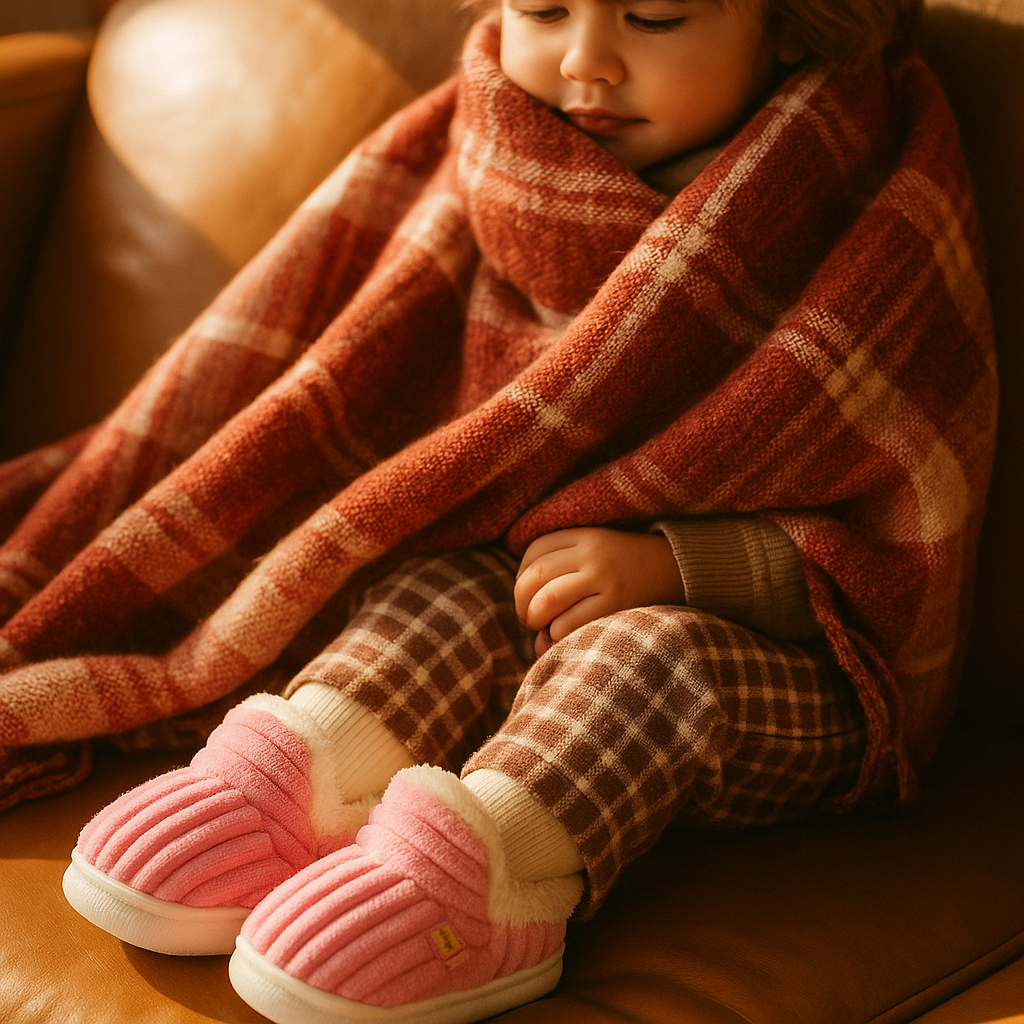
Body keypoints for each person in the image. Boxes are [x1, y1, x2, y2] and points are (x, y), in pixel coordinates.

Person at [47, 0, 993, 1021]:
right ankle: (309, 773)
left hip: (799, 669)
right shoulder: (497, 157)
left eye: (656, 16)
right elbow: (451, 445)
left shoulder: (861, 193)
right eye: (541, 7)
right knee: (440, 581)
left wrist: (675, 564)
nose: (586, 61)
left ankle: (496, 875)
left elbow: (887, 539)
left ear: (787, 24)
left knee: (641, 656)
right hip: (542, 581)